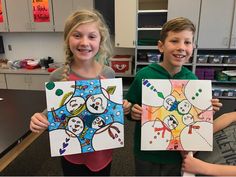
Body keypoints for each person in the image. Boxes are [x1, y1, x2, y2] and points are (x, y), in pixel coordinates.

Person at [30, 9, 131, 176]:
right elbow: (55, 115)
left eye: (92, 36)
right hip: (72, 154)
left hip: (101, 153)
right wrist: (40, 119)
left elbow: (112, 110)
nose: (84, 42)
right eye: (77, 35)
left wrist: (123, 107)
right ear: (67, 39)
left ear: (100, 40)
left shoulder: (108, 74)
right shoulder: (57, 77)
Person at [125, 17, 222, 176]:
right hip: (147, 153)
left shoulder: (192, 81)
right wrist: (132, 112)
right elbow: (129, 107)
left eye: (187, 42)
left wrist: (207, 110)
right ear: (161, 46)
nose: (181, 47)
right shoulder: (144, 76)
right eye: (175, 41)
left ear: (193, 47)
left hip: (177, 155)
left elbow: (194, 117)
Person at [182, 111, 236, 176]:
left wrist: (204, 168)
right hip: (188, 154)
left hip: (195, 170)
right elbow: (228, 117)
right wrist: (198, 139)